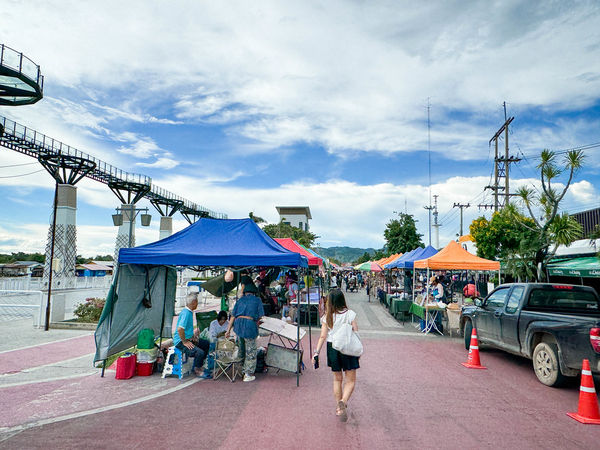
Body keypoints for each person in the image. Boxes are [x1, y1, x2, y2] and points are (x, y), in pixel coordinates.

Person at [313, 289, 360, 422]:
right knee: (350, 380)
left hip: (332, 348)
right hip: (348, 348)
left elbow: (323, 336)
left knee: (337, 379)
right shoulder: (350, 314)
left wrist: (316, 353)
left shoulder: (327, 316)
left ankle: (339, 408)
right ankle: (343, 402)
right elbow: (356, 332)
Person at [225, 282, 265, 382]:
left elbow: (233, 316)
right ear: (254, 292)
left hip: (238, 326)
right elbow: (260, 315)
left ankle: (240, 369)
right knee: (250, 350)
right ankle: (247, 373)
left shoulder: (240, 300)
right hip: (249, 326)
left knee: (241, 348)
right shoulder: (257, 300)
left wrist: (228, 330)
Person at [173, 293, 210, 377]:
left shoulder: (189, 312)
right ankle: (197, 370)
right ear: (193, 302)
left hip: (188, 339)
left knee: (205, 343)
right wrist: (185, 341)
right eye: (197, 302)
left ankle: (198, 365)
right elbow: (180, 329)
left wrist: (192, 337)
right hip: (180, 342)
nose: (197, 304)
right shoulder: (186, 313)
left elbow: (187, 329)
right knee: (199, 352)